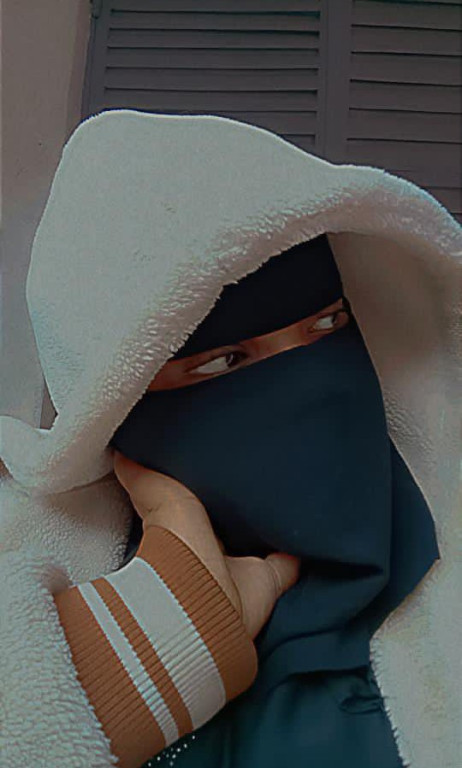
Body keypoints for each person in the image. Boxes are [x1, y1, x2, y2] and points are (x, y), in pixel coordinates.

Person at [0, 109, 460, 768]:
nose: (314, 384)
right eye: (224, 360)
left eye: (328, 325)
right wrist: (133, 657)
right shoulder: (24, 556)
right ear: (118, 399)